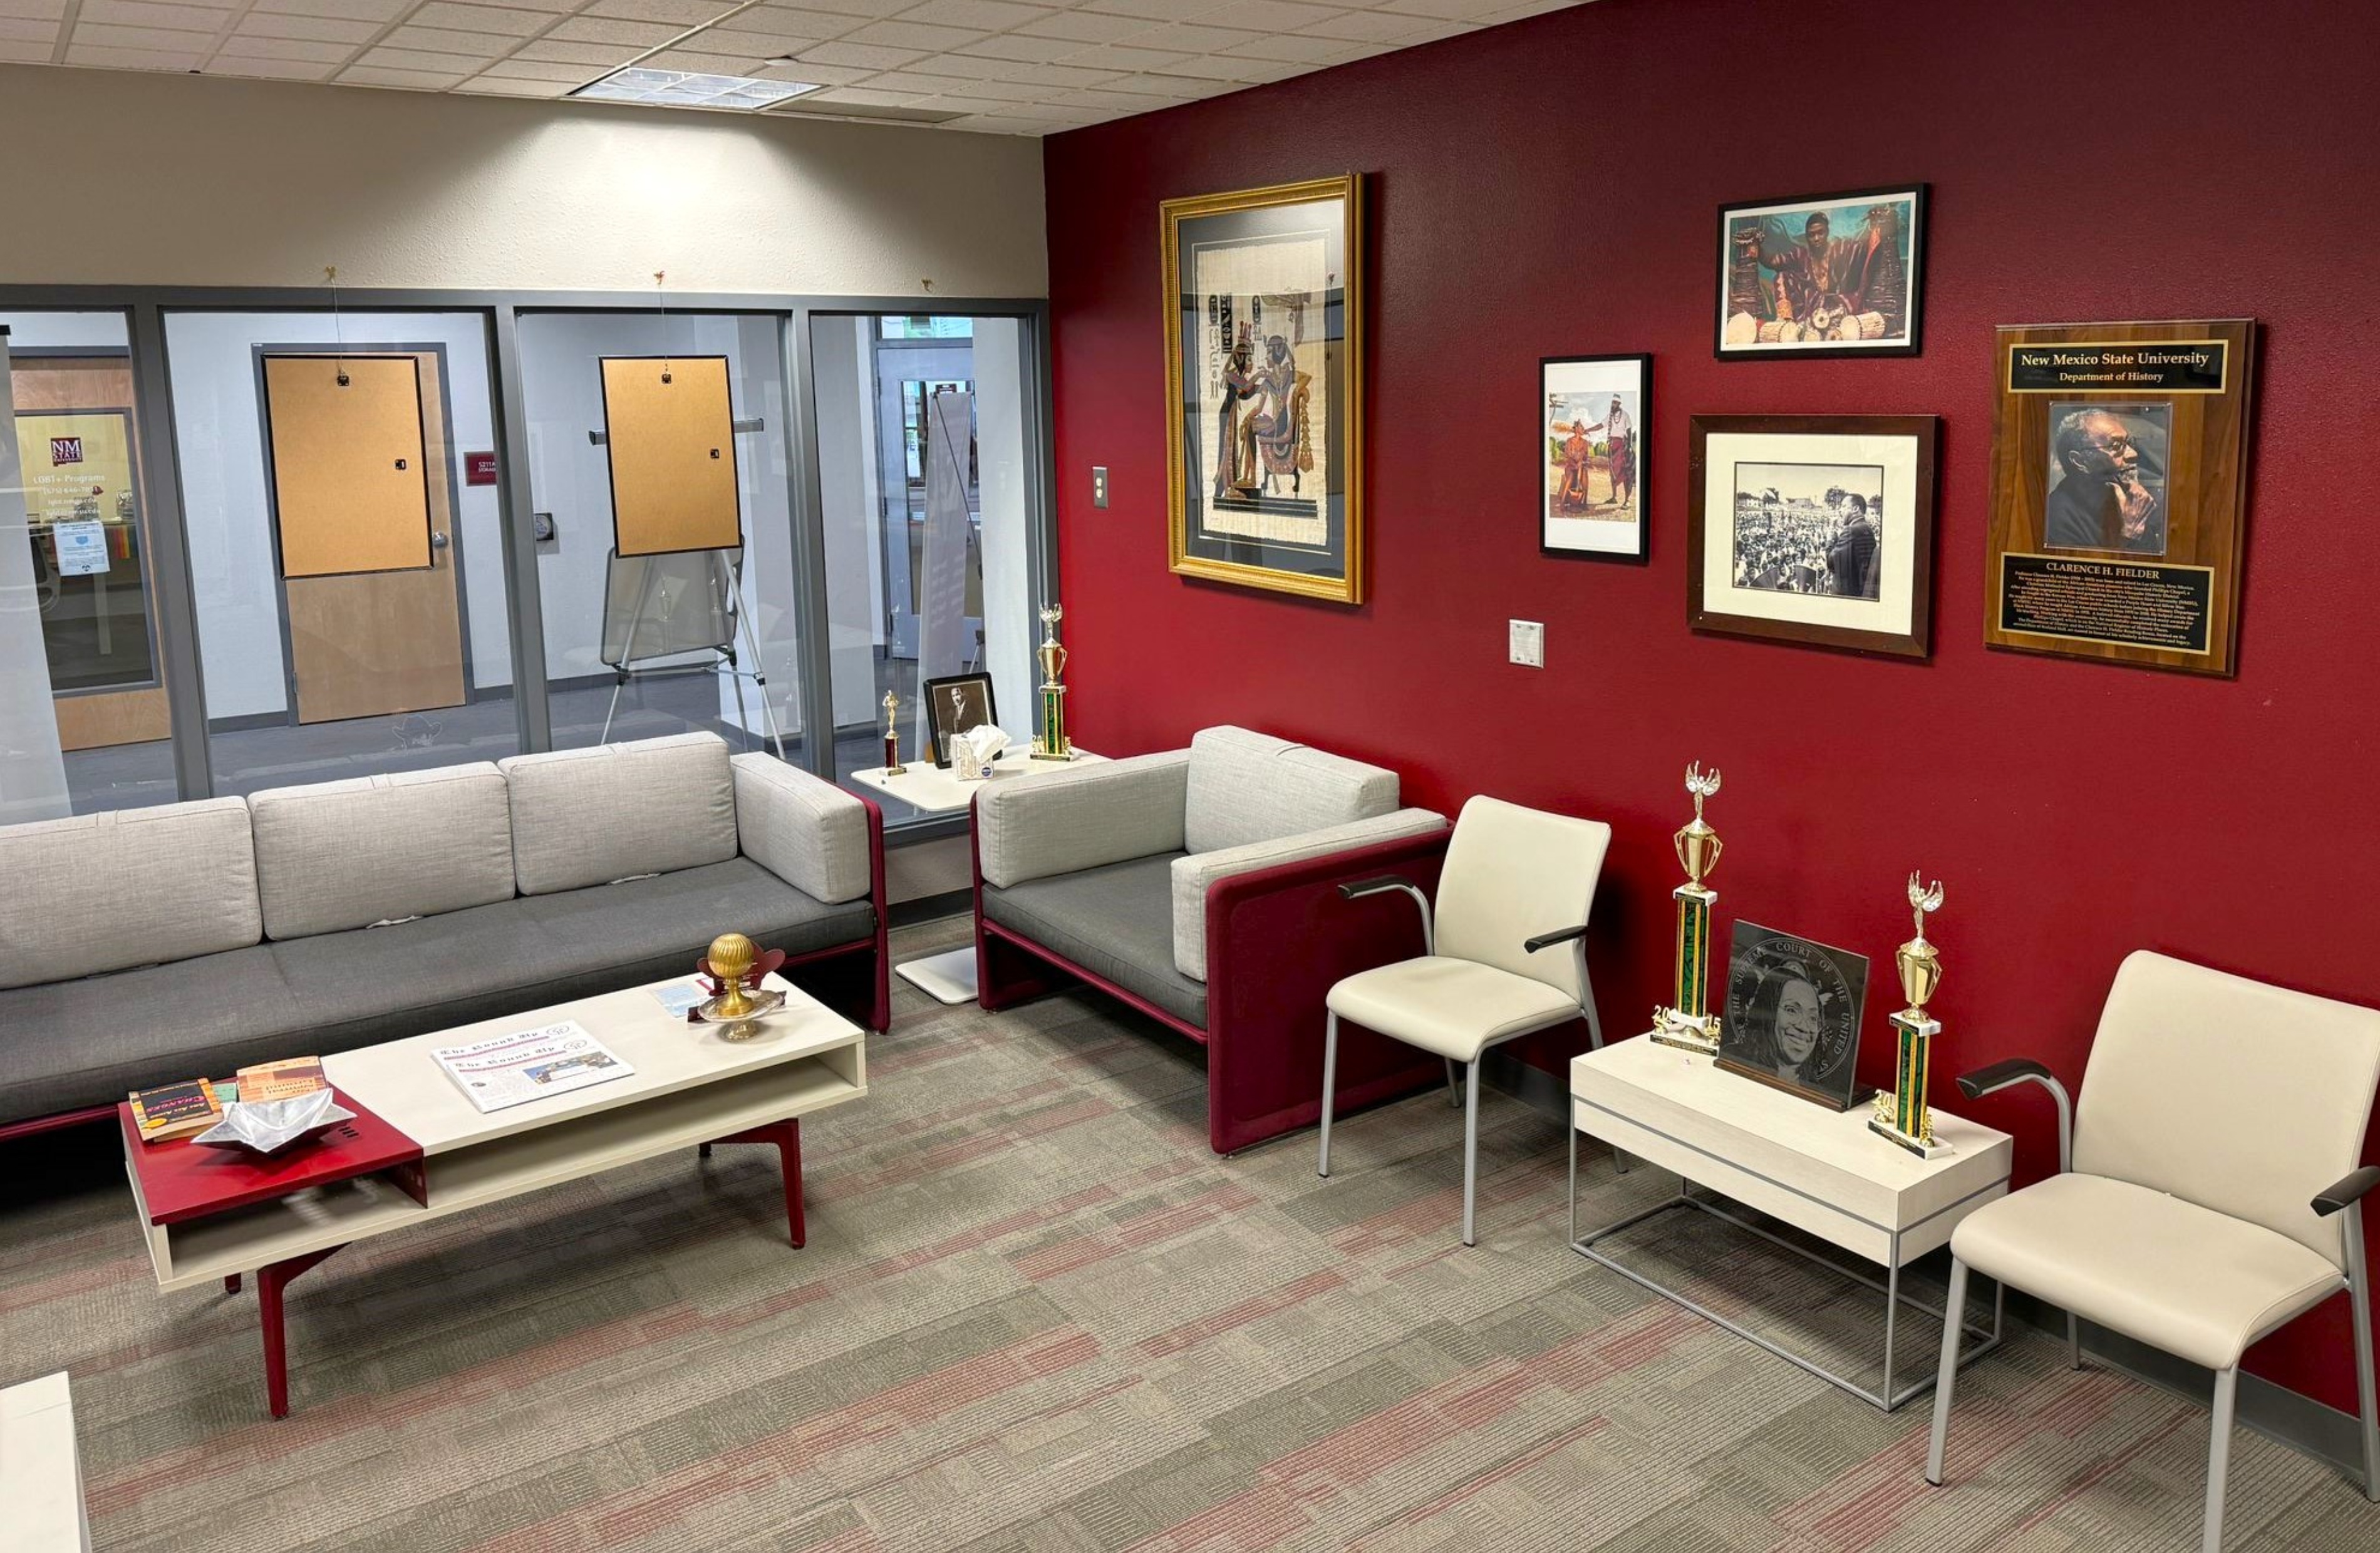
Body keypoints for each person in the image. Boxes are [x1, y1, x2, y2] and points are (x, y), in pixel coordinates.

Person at [2045, 408, 2163, 553]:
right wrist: (2131, 532)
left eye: (2128, 443)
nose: (2133, 454)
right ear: (2080, 461)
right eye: (2116, 446)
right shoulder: (2054, 519)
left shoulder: (2124, 498)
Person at [1825, 494, 1879, 598]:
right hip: (1860, 591)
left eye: (1844, 506)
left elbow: (1831, 563)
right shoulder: (1867, 529)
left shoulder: (1851, 530)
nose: (1840, 510)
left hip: (1846, 595)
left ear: (1856, 509)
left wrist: (1830, 539)